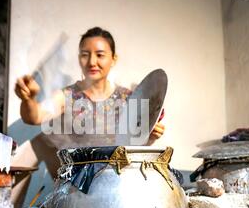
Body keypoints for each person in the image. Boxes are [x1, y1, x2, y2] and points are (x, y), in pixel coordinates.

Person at [15, 27, 165, 144]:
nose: (92, 62)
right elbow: (34, 117)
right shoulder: (68, 96)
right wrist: (28, 99)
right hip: (79, 180)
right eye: (85, 55)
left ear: (113, 59)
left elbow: (135, 143)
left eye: (100, 55)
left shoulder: (128, 98)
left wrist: (150, 134)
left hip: (118, 176)